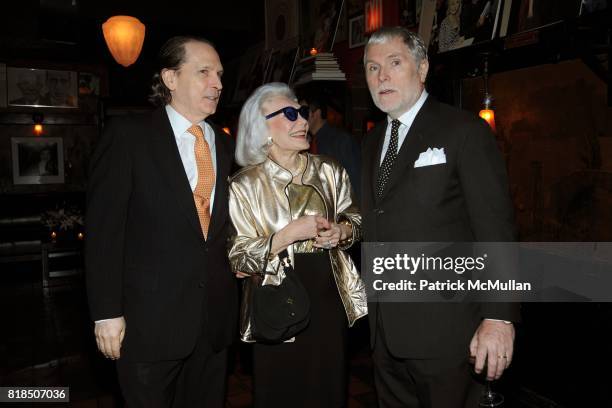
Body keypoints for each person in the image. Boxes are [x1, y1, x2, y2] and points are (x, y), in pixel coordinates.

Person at [362, 27, 520, 408]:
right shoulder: (368, 144)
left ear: (422, 68)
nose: (381, 76)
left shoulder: (464, 131)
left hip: (450, 337)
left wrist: (500, 318)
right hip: (384, 335)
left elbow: (496, 229)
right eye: (371, 68)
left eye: (393, 63)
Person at [85, 36, 237, 408]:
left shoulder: (222, 143)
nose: (217, 83)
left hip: (213, 323)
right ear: (170, 78)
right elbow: (104, 233)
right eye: (203, 72)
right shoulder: (128, 136)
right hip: (147, 326)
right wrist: (106, 313)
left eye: (218, 74)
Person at [228, 82, 367, 407]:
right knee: (281, 392)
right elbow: (238, 259)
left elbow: (358, 220)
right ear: (262, 127)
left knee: (328, 389)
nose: (303, 121)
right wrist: (287, 235)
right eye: (290, 114)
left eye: (303, 113)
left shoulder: (330, 170)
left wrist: (343, 231)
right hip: (275, 301)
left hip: (328, 298)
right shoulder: (244, 185)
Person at [300, 93, 361, 200]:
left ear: (316, 113)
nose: (299, 118)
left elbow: (355, 182)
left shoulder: (341, 140)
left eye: (303, 112)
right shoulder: (305, 142)